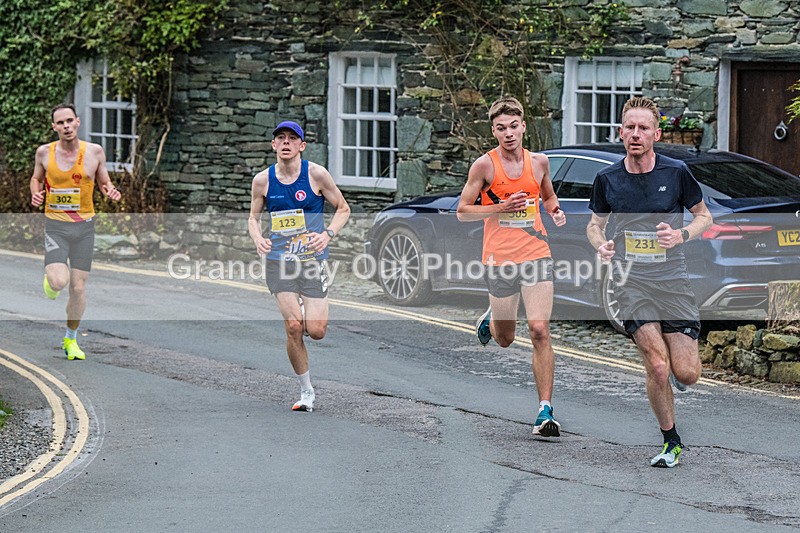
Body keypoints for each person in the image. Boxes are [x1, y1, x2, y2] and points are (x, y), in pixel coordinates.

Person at [586, 96, 712, 468]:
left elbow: (704, 216)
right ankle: (670, 440)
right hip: (631, 281)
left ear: (656, 133)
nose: (635, 134)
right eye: (630, 128)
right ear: (620, 133)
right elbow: (595, 225)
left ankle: (669, 382)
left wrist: (682, 236)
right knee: (658, 366)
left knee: (686, 373)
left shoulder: (675, 173)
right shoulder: (607, 178)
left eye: (643, 128)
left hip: (672, 280)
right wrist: (602, 245)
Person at [457, 96, 567, 437]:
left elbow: (547, 196)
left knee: (539, 329)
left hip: (536, 252)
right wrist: (500, 208)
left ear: (523, 126)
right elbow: (462, 211)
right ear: (494, 131)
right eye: (501, 128)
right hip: (499, 258)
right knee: (505, 339)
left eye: (514, 126)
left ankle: (544, 410)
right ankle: (492, 318)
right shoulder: (484, 167)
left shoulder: (539, 163)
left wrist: (556, 211)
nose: (509, 133)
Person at [248, 120, 350, 412]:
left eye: (292, 138)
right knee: (293, 327)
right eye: (280, 138)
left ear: (302, 146)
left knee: (316, 331)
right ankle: (306, 392)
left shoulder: (316, 174)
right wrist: (258, 239)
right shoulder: (262, 180)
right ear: (273, 145)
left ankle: (305, 311)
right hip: (279, 261)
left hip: (311, 261)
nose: (286, 143)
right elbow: (253, 218)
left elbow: (343, 208)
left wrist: (327, 234)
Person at [30, 103, 122, 361]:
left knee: (78, 288)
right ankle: (52, 279)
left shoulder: (94, 152)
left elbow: (105, 182)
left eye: (69, 121)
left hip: (84, 227)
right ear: (54, 127)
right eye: (60, 123)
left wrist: (110, 191)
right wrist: (35, 194)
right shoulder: (44, 153)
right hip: (56, 226)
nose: (66, 126)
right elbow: (36, 179)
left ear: (78, 122)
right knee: (60, 282)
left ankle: (71, 339)